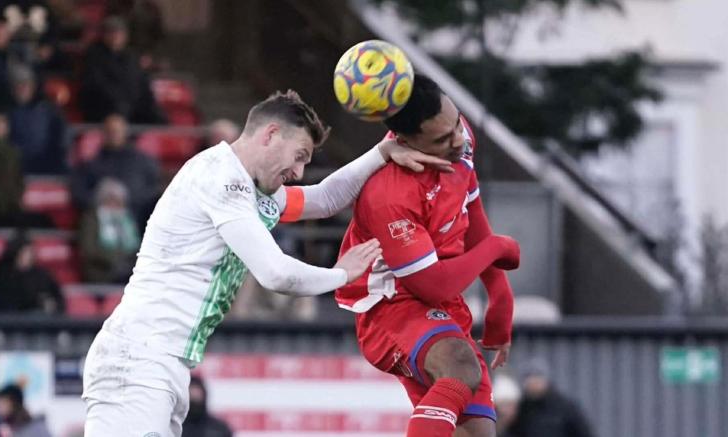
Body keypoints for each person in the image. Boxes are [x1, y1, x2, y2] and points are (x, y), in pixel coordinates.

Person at [82, 89, 451, 437]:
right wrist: (342, 274)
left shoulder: (244, 189)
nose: (299, 171)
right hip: (137, 359)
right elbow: (275, 273)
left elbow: (322, 198)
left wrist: (382, 152)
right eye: (300, 155)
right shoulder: (221, 180)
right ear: (271, 134)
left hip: (161, 362)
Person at [335, 74, 521, 437]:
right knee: (459, 367)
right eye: (441, 139)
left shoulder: (458, 133)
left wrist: (501, 294)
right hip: (389, 306)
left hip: (443, 303)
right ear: (405, 141)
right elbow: (430, 285)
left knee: (478, 432)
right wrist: (496, 248)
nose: (458, 140)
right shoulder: (389, 193)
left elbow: (471, 210)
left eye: (455, 124)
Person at [70, 113, 161, 225]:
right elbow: (79, 192)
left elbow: (154, 188)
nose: (113, 135)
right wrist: (101, 201)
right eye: (110, 131)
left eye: (116, 131)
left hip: (136, 216)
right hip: (101, 219)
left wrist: (128, 199)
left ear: (125, 132)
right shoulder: (92, 164)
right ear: (103, 133)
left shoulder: (142, 162)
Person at [79, 16, 166, 124]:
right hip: (105, 107)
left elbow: (143, 83)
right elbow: (97, 84)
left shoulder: (132, 56)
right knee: (120, 110)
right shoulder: (94, 55)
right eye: (110, 32)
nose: (115, 36)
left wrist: (149, 103)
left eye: (118, 32)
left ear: (125, 36)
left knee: (157, 117)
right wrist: (122, 100)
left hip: (131, 104)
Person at [6, 63, 68, 174]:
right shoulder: (5, 112)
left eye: (26, 85)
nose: (22, 89)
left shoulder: (49, 111)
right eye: (18, 85)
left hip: (46, 166)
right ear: (12, 88)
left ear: (33, 86)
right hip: (14, 168)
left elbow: (61, 141)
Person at [507, 359, 594, 437]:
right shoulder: (521, 409)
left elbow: (583, 432)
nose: (533, 384)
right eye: (529, 380)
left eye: (537, 379)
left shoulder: (565, 407)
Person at [77, 178, 140, 283]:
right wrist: (115, 260)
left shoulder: (128, 219)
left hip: (129, 270)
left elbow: (136, 246)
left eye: (119, 201)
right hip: (101, 270)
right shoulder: (92, 219)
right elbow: (89, 249)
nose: (115, 205)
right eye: (111, 200)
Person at [0, 234, 64, 314]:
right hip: (9, 319)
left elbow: (58, 300)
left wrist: (51, 305)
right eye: (25, 252)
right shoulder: (2, 276)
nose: (29, 256)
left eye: (31, 252)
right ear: (15, 253)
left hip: (39, 318)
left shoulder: (42, 275)